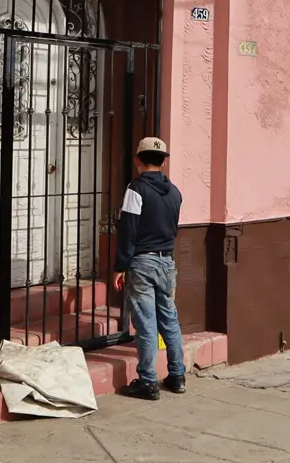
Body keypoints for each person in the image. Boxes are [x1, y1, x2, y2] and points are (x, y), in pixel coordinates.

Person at [113, 137, 187, 399]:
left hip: (142, 261)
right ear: (164, 161)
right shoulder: (175, 192)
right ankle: (177, 375)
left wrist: (121, 265)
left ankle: (147, 381)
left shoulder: (136, 189)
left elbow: (128, 229)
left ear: (138, 160)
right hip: (167, 261)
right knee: (169, 318)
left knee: (146, 323)